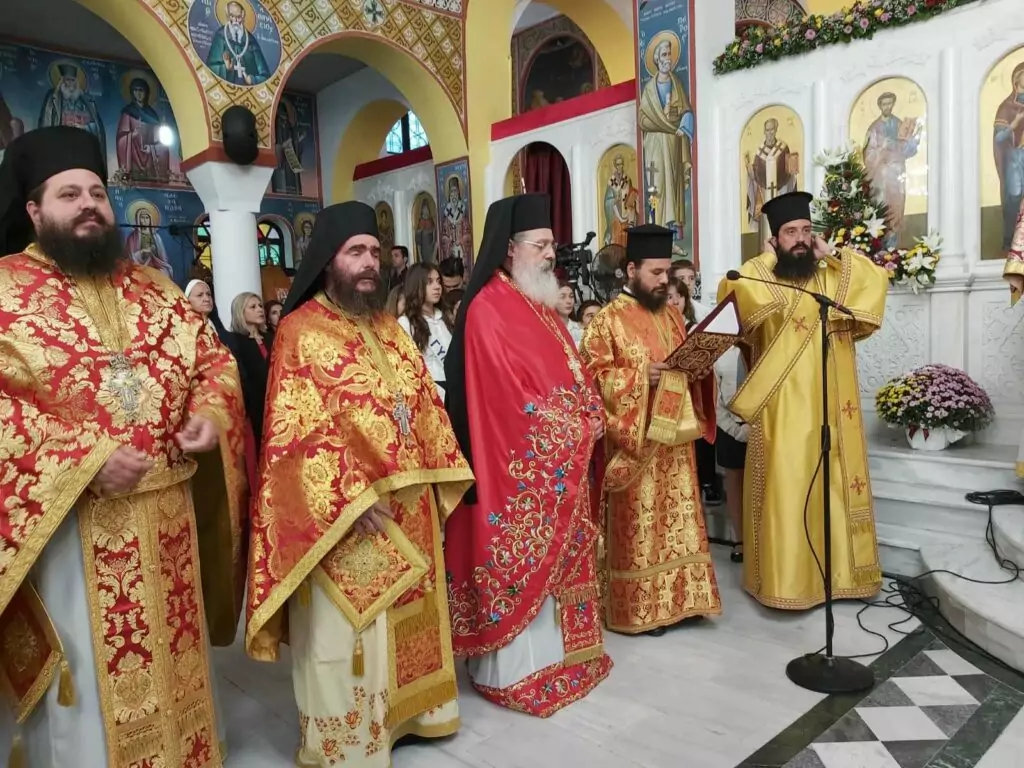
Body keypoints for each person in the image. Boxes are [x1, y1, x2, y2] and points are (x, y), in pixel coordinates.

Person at [0, 126, 247, 767]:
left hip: (169, 523)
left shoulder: (155, 287)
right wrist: (83, 461)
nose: (88, 204)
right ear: (34, 210)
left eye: (96, 193)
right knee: (88, 680)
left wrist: (208, 412)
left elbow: (214, 361)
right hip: (72, 529)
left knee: (177, 659)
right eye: (69, 194)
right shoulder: (6, 290)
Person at [245, 201, 473, 767]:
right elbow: (295, 432)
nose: (369, 262)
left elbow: (422, 402)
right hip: (346, 516)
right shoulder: (300, 331)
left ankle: (415, 714)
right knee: (351, 631)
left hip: (410, 503)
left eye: (374, 251)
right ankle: (349, 741)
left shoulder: (389, 327)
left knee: (407, 619)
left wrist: (437, 472)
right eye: (356, 252)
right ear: (329, 261)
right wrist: (349, 499)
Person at [444, 193, 612, 717]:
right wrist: (573, 427)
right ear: (509, 248)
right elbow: (506, 400)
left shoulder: (538, 305)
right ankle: (516, 670)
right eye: (539, 245)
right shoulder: (487, 308)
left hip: (561, 459)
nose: (549, 255)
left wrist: (591, 411)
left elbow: (571, 372)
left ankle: (566, 655)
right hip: (512, 465)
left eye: (551, 245)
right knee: (522, 557)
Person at [717, 191, 889, 610]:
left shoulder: (830, 276)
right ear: (774, 238)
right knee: (789, 489)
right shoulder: (758, 275)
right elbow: (735, 300)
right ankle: (789, 584)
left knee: (833, 487)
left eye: (806, 230)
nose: (800, 239)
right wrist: (767, 259)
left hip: (833, 405)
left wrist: (834, 254)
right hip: (783, 411)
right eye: (790, 232)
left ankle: (841, 577)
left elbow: (875, 283)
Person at [580, 224, 721, 635]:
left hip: (676, 441)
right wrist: (641, 376)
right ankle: (643, 607)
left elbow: (683, 364)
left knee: (680, 519)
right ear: (631, 270)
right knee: (643, 524)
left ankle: (686, 599)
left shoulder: (673, 315)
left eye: (667, 273)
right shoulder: (606, 321)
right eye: (655, 273)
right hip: (637, 443)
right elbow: (590, 380)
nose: (664, 281)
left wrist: (699, 368)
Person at [715, 345, 749, 564]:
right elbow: (713, 394)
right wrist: (735, 430)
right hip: (729, 423)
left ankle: (764, 537)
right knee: (734, 478)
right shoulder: (721, 344)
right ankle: (740, 538)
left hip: (765, 422)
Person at [398, 262, 453, 399]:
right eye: (429, 282)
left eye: (438, 281)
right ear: (417, 285)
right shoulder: (406, 323)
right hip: (428, 393)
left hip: (453, 390)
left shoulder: (445, 318)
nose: (437, 287)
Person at [556, 280, 584, 347]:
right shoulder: (547, 329)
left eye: (571, 296)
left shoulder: (581, 330)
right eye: (562, 297)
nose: (569, 301)